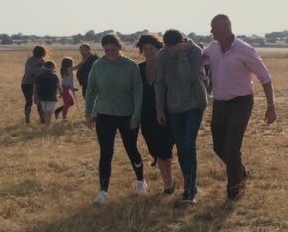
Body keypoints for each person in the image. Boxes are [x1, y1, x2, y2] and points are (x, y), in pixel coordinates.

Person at [200, 14, 276, 202]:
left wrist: (271, 106)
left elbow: (265, 78)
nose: (211, 31)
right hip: (220, 103)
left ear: (225, 26)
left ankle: (233, 190)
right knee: (219, 146)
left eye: (213, 27)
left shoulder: (245, 50)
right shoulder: (213, 48)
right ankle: (240, 171)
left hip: (241, 102)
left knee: (232, 147)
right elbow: (200, 60)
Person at [84, 33, 146, 204]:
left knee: (131, 148)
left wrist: (136, 115)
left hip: (127, 115)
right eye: (107, 50)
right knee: (106, 153)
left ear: (120, 47)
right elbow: (91, 91)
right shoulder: (98, 65)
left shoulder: (131, 66)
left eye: (113, 49)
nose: (110, 53)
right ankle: (103, 192)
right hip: (104, 115)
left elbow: (138, 92)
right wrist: (88, 113)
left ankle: (141, 181)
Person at [155, 28, 209, 206]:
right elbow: (160, 82)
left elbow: (187, 78)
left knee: (188, 143)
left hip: (193, 104)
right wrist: (160, 108)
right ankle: (189, 183)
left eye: (172, 47)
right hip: (173, 107)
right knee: (181, 146)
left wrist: (182, 56)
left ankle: (190, 189)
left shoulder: (194, 51)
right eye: (166, 47)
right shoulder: (162, 55)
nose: (169, 50)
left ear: (181, 43)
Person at [136, 34, 177, 195]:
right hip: (146, 116)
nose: (148, 52)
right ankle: (170, 180)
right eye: (145, 49)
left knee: (163, 149)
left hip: (166, 113)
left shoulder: (166, 67)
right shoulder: (138, 69)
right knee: (155, 150)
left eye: (151, 48)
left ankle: (168, 184)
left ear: (159, 49)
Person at [20, 45, 47, 125]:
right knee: (29, 102)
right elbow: (32, 72)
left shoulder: (42, 60)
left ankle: (42, 119)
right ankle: (27, 119)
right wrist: (42, 69)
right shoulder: (30, 60)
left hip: (38, 84)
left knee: (40, 102)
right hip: (27, 84)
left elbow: (45, 71)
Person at [32, 58, 58, 125]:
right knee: (50, 112)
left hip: (42, 96)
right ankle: (47, 124)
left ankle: (46, 124)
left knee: (45, 111)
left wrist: (35, 96)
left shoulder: (39, 76)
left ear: (45, 67)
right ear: (53, 67)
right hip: (51, 96)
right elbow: (58, 85)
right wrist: (61, 92)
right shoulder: (54, 76)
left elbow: (35, 86)